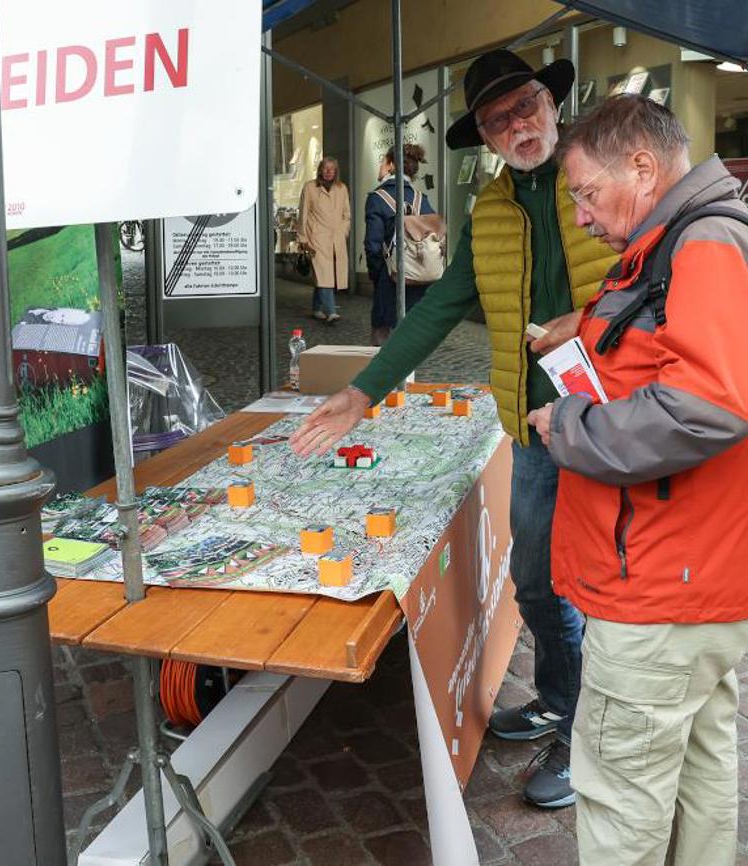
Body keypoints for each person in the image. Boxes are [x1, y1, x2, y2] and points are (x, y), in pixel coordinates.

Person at [291, 50, 617, 809]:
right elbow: (439, 307)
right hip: (534, 427)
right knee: (536, 583)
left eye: (526, 106)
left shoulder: (600, 181)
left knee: (603, 588)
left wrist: (594, 319)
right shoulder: (494, 208)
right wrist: (364, 390)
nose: (518, 125)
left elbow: (665, 279)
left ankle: (587, 740)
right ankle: (561, 700)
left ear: (551, 102)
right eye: (499, 120)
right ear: (488, 137)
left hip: (614, 421)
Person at [526, 94, 748, 865]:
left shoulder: (705, 243)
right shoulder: (685, 239)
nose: (579, 215)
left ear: (643, 167)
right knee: (699, 768)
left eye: (585, 191)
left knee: (621, 794)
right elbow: (671, 351)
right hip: (697, 572)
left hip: (665, 581)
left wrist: (568, 427)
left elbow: (707, 404)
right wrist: (582, 331)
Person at [363, 143, 436, 346]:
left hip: (389, 279)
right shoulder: (423, 200)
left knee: (381, 336)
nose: (380, 165)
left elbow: (372, 245)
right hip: (420, 280)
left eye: (383, 161)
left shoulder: (377, 199)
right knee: (411, 339)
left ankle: (383, 378)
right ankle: (408, 377)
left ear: (391, 165)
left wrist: (377, 276)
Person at [298, 157, 352, 324]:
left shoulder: (342, 188)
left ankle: (317, 308)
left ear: (336, 171)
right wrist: (303, 238)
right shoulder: (310, 188)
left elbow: (346, 214)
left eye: (332, 169)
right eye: (325, 168)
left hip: (336, 237)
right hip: (317, 237)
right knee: (324, 273)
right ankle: (331, 311)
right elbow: (303, 214)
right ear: (320, 170)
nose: (329, 171)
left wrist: (343, 231)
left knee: (325, 274)